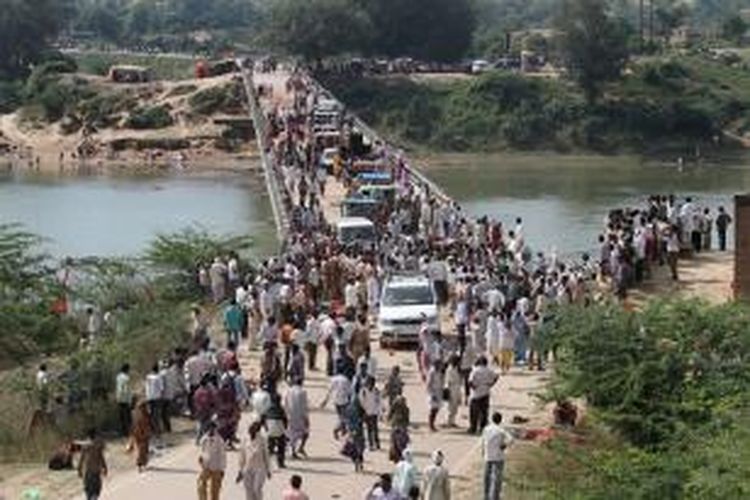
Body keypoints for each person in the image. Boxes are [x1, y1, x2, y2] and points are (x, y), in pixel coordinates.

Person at [481, 412, 514, 500]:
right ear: (500, 420)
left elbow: (483, 441)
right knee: (496, 479)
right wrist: (504, 445)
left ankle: (486, 496)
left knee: (487, 478)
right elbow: (511, 439)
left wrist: (483, 452)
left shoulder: (486, 429)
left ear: (492, 419)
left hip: (488, 456)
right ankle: (495, 497)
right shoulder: (501, 430)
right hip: (498, 457)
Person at [237, 421, 272, 500]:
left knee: (256, 489)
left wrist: (268, 469)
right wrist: (240, 470)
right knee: (248, 490)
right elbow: (242, 455)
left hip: (259, 468)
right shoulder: (245, 439)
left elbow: (266, 455)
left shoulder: (262, 440)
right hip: (247, 468)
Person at [468, 356, 499, 435]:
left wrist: (474, 387)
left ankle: (473, 427)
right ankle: (482, 428)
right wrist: (491, 384)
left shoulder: (475, 370)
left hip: (476, 393)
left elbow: (470, 381)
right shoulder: (489, 370)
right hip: (485, 391)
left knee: (474, 412)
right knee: (484, 411)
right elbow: (496, 376)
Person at [197, 421, 227, 500]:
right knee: (200, 484)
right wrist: (200, 458)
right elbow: (202, 451)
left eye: (213, 428)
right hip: (206, 467)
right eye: (210, 428)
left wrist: (222, 469)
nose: (211, 430)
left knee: (214, 491)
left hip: (216, 467)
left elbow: (223, 455)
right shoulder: (204, 439)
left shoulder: (220, 440)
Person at [321, 367, 353, 440]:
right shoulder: (346, 380)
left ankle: (343, 430)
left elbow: (329, 391)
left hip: (336, 401)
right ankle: (336, 430)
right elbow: (350, 392)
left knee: (340, 416)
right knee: (344, 417)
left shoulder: (333, 379)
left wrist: (325, 401)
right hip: (344, 401)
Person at [284, 378, 310, 458]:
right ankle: (300, 448)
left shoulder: (288, 391)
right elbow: (304, 406)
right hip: (299, 416)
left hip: (289, 415)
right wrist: (306, 418)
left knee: (291, 433)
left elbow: (285, 403)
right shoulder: (303, 392)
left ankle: (293, 450)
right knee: (305, 433)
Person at [78, 428, 107, 500]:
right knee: (96, 491)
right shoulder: (98, 445)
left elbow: (81, 458)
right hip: (95, 472)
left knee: (89, 493)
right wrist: (105, 467)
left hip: (87, 473)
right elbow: (101, 457)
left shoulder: (85, 445)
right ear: (95, 435)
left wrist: (79, 469)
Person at [265, 391, 288, 468]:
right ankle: (280, 462)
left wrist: (266, 428)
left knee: (269, 446)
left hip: (270, 429)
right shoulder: (281, 409)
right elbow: (285, 420)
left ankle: (266, 462)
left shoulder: (268, 408)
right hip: (279, 429)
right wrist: (285, 429)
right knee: (281, 446)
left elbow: (263, 419)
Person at [360, 376, 381, 451]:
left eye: (371, 384)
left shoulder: (376, 391)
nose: (370, 385)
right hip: (367, 413)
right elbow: (361, 402)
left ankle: (377, 444)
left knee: (375, 429)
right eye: (368, 384)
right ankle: (371, 445)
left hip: (374, 413)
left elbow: (379, 402)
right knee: (369, 430)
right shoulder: (363, 391)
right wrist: (364, 411)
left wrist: (379, 412)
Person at [130, 400, 151, 472]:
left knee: (143, 449)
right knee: (141, 449)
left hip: (141, 433)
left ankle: (142, 463)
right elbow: (134, 425)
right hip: (140, 434)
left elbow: (148, 424)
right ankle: (140, 464)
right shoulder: (141, 414)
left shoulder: (136, 413)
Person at [144, 364, 164, 436]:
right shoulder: (158, 377)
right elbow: (161, 389)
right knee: (157, 415)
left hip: (149, 397)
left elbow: (146, 387)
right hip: (157, 398)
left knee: (150, 414)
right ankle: (157, 431)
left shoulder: (147, 377)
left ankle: (151, 430)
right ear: (157, 369)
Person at [426, 361, 444, 432]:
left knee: (436, 409)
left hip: (438, 392)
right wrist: (432, 394)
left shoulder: (439, 372)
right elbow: (428, 384)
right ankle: (430, 425)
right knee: (433, 409)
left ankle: (432, 424)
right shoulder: (432, 372)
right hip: (433, 392)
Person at [445, 355, 463, 427]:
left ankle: (452, 421)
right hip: (452, 388)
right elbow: (448, 381)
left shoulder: (457, 369)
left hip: (457, 388)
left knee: (455, 406)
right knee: (450, 406)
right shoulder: (450, 369)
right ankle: (448, 421)